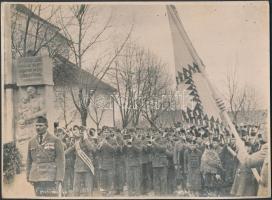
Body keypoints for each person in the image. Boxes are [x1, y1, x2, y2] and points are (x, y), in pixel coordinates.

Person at [26, 116, 65, 197]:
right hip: (36, 176)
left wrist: (59, 178)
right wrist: (28, 175)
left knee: (50, 196)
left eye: (40, 125)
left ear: (46, 126)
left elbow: (60, 161)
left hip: (50, 177)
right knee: (39, 196)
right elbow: (29, 160)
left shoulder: (55, 140)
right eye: (36, 125)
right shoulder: (31, 141)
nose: (38, 128)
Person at [65, 126, 96, 196]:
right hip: (78, 168)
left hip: (87, 167)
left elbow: (92, 148)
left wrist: (85, 139)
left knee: (89, 190)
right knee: (76, 190)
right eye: (74, 130)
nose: (75, 132)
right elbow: (69, 150)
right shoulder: (76, 142)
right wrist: (60, 154)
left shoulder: (89, 140)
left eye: (83, 131)